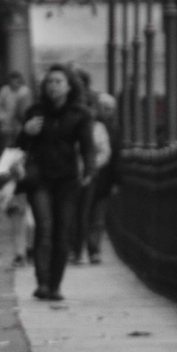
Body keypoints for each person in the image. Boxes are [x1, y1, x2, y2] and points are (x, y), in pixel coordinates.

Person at [17, 64, 95, 301]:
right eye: (49, 82)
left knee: (63, 233)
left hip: (67, 180)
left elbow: (87, 147)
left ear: (69, 86)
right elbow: (19, 147)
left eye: (58, 82)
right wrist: (26, 132)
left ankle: (55, 285)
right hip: (39, 178)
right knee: (45, 229)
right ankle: (42, 283)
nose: (53, 86)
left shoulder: (80, 114)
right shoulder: (35, 112)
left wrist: (89, 170)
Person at [71, 94, 114, 265]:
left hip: (89, 175)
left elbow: (105, 152)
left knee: (85, 213)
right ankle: (75, 249)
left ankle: (84, 249)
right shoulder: (72, 126)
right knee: (73, 214)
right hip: (70, 174)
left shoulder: (98, 128)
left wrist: (91, 166)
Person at [0, 72, 32, 151]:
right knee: (7, 144)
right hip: (7, 121)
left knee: (21, 141)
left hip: (20, 121)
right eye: (12, 81)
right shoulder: (4, 90)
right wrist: (1, 117)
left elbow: (28, 106)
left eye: (17, 81)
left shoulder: (25, 91)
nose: (15, 84)